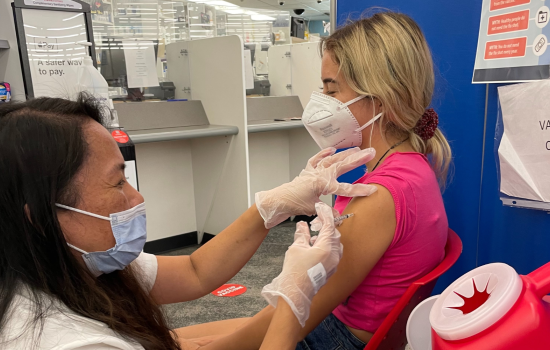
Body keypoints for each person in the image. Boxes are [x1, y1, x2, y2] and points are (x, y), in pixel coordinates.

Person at [0, 94, 376, 350]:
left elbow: (196, 270)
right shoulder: (67, 341)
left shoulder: (74, 266)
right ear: (43, 218)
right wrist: (294, 300)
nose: (136, 198)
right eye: (117, 183)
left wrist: (268, 207)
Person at [181, 10, 452, 350]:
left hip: (333, 336)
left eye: (330, 89)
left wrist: (215, 347)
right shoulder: (409, 166)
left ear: (378, 97)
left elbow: (301, 310)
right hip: (336, 325)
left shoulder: (380, 193)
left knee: (172, 341)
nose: (320, 101)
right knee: (171, 337)